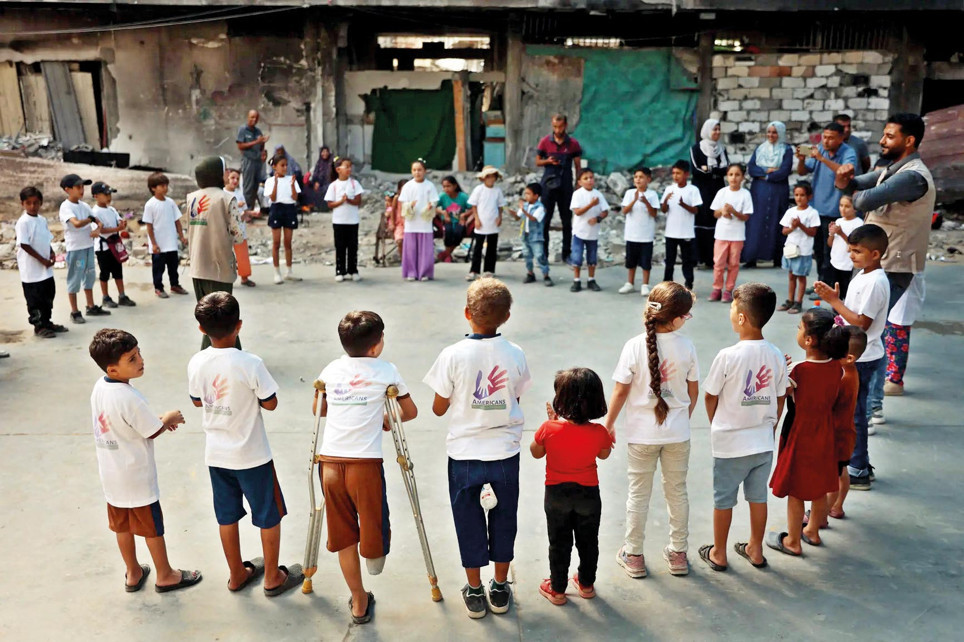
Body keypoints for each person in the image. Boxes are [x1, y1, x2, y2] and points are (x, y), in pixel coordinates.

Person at [423, 279, 531, 620]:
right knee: (505, 517)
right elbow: (515, 396)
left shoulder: (452, 355)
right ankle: (500, 586)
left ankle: (473, 589)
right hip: (504, 451)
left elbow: (439, 408)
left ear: (467, 314)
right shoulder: (515, 353)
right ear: (507, 316)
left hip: (465, 453)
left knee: (467, 518)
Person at [188, 292, 303, 596]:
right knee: (268, 514)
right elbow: (271, 403)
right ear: (239, 326)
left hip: (216, 455)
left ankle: (237, 574)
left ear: (202, 330)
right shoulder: (250, 363)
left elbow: (198, 401)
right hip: (252, 455)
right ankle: (272, 578)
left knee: (227, 516)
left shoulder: (197, 361)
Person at [313, 311, 417, 624]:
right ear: (375, 347)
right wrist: (384, 418)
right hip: (365, 464)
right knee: (373, 518)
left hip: (328, 463)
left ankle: (358, 600)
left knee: (344, 534)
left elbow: (319, 408)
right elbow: (408, 411)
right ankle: (374, 558)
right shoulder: (386, 369)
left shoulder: (331, 368)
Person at [88, 328, 202, 593]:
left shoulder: (100, 387)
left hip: (112, 476)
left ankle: (133, 572)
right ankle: (165, 574)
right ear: (113, 369)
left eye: (138, 353)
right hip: (136, 479)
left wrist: (157, 421)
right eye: (132, 358)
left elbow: (127, 425)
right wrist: (169, 418)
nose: (140, 360)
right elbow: (152, 430)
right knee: (152, 529)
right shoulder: (130, 397)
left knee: (122, 527)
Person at [605, 282, 698, 579]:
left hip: (641, 435)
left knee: (638, 495)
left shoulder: (634, 346)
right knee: (677, 493)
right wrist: (683, 417)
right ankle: (678, 553)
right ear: (674, 320)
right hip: (678, 435)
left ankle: (633, 554)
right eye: (687, 315)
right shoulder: (686, 346)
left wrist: (608, 425)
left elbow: (620, 392)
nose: (687, 320)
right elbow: (693, 390)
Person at [700, 283, 787, 571]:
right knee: (757, 497)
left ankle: (720, 554)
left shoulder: (727, 356)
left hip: (729, 444)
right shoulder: (775, 354)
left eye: (732, 308)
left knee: (723, 500)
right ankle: (756, 549)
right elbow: (780, 395)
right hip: (762, 442)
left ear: (741, 318)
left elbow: (710, 395)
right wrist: (770, 427)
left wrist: (717, 422)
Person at [813, 224, 890, 493]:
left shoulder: (876, 282)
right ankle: (859, 462)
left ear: (876, 254)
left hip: (862, 356)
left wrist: (834, 302)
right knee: (852, 410)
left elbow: (862, 323)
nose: (851, 254)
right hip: (855, 352)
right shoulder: (864, 274)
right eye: (850, 249)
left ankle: (857, 468)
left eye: (857, 251)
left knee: (855, 413)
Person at [768, 308, 849, 556]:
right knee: (819, 484)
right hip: (825, 432)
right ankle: (812, 530)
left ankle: (792, 540)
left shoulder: (799, 371)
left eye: (800, 329)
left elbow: (783, 394)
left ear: (809, 340)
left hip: (800, 434)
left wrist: (782, 370)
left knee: (796, 490)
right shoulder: (837, 367)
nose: (798, 333)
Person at [834, 113, 936, 310]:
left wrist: (848, 187)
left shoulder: (912, 176)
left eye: (889, 136)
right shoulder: (893, 170)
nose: (882, 141)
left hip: (893, 263)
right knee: (857, 324)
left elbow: (863, 200)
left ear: (909, 141)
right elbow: (854, 184)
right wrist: (842, 181)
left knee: (865, 326)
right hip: (878, 259)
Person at [531, 368, 612, 605]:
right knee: (588, 542)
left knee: (559, 542)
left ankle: (557, 589)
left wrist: (551, 424)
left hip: (556, 494)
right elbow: (604, 454)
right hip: (588, 494)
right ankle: (586, 584)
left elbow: (536, 453)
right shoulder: (599, 432)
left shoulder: (549, 428)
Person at [186, 157, 244, 350]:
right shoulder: (226, 198)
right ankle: (211, 355)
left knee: (207, 314)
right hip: (218, 266)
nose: (228, 174)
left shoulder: (191, 197)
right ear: (217, 174)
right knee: (222, 318)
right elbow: (238, 235)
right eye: (225, 170)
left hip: (197, 265)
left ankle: (233, 351)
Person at [796, 122, 857, 286]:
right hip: (817, 209)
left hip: (836, 210)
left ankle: (829, 285)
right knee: (818, 250)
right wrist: (801, 160)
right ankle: (821, 282)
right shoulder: (819, 148)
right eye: (824, 137)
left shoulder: (848, 152)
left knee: (830, 251)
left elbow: (845, 170)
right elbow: (802, 171)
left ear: (840, 138)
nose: (826, 141)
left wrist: (821, 159)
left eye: (831, 138)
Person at [824, 326, 866, 522]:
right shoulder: (850, 371)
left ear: (849, 357)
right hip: (845, 433)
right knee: (841, 472)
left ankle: (820, 514)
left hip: (836, 435)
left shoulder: (843, 378)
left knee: (832, 478)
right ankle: (837, 506)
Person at [59, 173, 111, 323]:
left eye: (82, 187)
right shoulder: (66, 206)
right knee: (74, 278)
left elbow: (98, 222)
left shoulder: (85, 206)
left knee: (89, 276)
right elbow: (75, 223)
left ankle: (90, 305)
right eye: (78, 187)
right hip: (76, 248)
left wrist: (97, 229)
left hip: (88, 246)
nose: (81, 190)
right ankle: (74, 311)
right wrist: (90, 220)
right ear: (67, 189)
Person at [16, 186, 66, 338]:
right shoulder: (23, 222)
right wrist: (41, 259)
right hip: (31, 271)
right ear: (22, 204)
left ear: (41, 203)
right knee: (34, 300)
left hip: (45, 269)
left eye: (36, 203)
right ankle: (39, 326)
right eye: (29, 203)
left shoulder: (42, 220)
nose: (32, 206)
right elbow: (24, 244)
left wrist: (50, 253)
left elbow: (46, 238)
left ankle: (47, 321)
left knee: (48, 296)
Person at [743, 121, 794, 267]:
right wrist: (768, 171)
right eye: (769, 132)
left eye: (775, 132)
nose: (771, 135)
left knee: (777, 221)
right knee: (756, 222)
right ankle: (751, 258)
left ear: (781, 134)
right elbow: (752, 169)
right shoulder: (760, 149)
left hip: (778, 191)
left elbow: (784, 171)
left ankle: (776, 258)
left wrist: (768, 175)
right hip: (760, 191)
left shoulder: (786, 150)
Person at [536, 114, 583, 264]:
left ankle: (566, 254)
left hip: (565, 186)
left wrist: (578, 183)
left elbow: (578, 165)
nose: (557, 130)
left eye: (560, 126)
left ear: (566, 125)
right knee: (545, 220)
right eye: (555, 127)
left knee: (567, 221)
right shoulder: (545, 142)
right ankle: (544, 254)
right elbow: (537, 161)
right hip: (548, 186)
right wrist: (547, 161)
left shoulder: (573, 144)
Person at [709, 163, 753, 303]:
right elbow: (715, 213)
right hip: (722, 234)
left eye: (737, 175)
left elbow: (746, 217)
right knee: (718, 263)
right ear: (727, 177)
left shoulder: (745, 194)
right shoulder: (722, 192)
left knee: (734, 263)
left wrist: (733, 211)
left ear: (742, 177)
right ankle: (717, 288)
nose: (734, 178)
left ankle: (728, 290)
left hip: (737, 235)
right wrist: (723, 212)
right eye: (731, 174)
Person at [691, 119, 729, 269]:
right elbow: (696, 170)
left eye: (719, 129)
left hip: (717, 189)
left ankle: (714, 259)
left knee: (715, 221)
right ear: (707, 131)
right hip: (701, 190)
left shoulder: (722, 149)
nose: (717, 132)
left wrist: (709, 169)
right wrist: (714, 171)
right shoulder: (697, 148)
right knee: (702, 220)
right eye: (714, 129)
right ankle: (699, 258)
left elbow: (725, 170)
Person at [777, 183, 820, 315]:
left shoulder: (812, 213)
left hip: (803, 250)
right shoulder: (790, 212)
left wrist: (800, 225)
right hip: (791, 249)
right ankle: (790, 300)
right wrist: (793, 227)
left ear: (809, 196)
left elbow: (812, 232)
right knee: (791, 275)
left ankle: (799, 301)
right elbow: (784, 231)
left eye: (802, 195)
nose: (799, 198)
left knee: (800, 277)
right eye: (796, 195)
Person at [143, 172, 188, 299]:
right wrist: (154, 243)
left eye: (166, 185)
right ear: (153, 188)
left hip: (171, 242)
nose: (165, 188)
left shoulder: (171, 202)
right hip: (159, 244)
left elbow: (177, 221)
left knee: (173, 266)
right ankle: (158, 287)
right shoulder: (150, 205)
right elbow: (149, 226)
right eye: (161, 186)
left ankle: (175, 285)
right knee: (158, 268)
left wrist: (181, 236)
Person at [661, 160, 702, 291]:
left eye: (678, 173)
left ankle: (688, 284)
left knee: (687, 261)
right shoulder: (669, 189)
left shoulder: (693, 190)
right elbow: (663, 210)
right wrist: (666, 200)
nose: (675, 176)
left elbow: (696, 210)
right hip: (671, 232)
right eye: (673, 173)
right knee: (670, 261)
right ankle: (667, 284)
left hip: (686, 232)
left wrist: (683, 205)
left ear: (686, 174)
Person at [618, 168, 659, 297]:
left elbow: (654, 213)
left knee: (646, 261)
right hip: (632, 234)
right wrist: (634, 200)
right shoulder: (630, 193)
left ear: (648, 179)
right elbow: (624, 211)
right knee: (631, 261)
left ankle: (645, 285)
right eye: (636, 177)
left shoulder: (652, 195)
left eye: (641, 177)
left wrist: (646, 202)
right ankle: (630, 283)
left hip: (646, 235)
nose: (638, 179)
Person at [325, 156, 366, 282]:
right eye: (346, 166)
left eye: (350, 167)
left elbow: (358, 201)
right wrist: (341, 201)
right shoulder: (333, 186)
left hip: (352, 221)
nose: (349, 169)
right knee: (340, 246)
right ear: (338, 169)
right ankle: (340, 270)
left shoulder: (354, 184)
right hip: (339, 221)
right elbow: (330, 204)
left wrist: (349, 200)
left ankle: (353, 269)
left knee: (352, 246)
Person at [569, 168, 609, 293]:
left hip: (593, 233)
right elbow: (577, 212)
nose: (589, 180)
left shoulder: (598, 194)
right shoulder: (577, 194)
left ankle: (591, 279)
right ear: (580, 182)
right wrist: (591, 205)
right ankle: (576, 280)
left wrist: (598, 218)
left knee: (592, 258)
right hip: (579, 232)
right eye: (586, 178)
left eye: (591, 177)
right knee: (577, 257)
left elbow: (605, 211)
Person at [398, 159, 439, 281]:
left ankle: (424, 272)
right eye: (414, 170)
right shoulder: (408, 186)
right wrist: (409, 205)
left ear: (425, 171)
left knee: (425, 249)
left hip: (425, 222)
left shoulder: (429, 186)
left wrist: (431, 205)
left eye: (420, 170)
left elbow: (434, 200)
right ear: (411, 171)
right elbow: (403, 202)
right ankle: (411, 271)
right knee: (411, 248)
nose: (417, 172)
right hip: (412, 222)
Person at [265, 152, 302, 284]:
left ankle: (289, 271)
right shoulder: (270, 181)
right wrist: (275, 183)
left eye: (286, 165)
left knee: (288, 242)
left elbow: (295, 198)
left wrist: (292, 185)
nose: (285, 168)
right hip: (277, 209)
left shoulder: (291, 179)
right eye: (282, 165)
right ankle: (276, 272)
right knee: (276, 243)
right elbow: (273, 198)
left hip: (289, 209)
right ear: (275, 166)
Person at [466, 166, 506, 280]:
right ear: (484, 178)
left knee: (491, 247)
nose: (491, 179)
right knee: (477, 247)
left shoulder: (497, 191)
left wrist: (500, 217)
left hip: (493, 222)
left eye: (493, 176)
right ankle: (474, 270)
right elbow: (474, 205)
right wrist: (477, 219)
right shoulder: (479, 189)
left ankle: (489, 270)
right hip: (481, 222)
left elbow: (500, 206)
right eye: (488, 177)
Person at [512, 182, 552, 286]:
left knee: (539, 255)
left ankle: (546, 275)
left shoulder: (540, 207)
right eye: (525, 194)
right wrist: (512, 212)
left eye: (528, 194)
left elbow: (534, 219)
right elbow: (518, 217)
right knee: (527, 255)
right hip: (525, 235)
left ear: (536, 196)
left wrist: (524, 211)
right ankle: (530, 273)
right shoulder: (525, 206)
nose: (526, 196)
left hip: (536, 236)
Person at [826, 194, 863, 299]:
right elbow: (830, 243)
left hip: (848, 265)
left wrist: (841, 233)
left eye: (847, 206)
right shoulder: (838, 221)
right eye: (841, 205)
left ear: (855, 209)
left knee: (847, 292)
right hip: (835, 262)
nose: (843, 209)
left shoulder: (858, 224)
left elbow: (854, 246)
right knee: (835, 290)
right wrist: (832, 233)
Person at [224, 168, 255, 287]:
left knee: (242, 254)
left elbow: (244, 212)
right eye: (232, 178)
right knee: (226, 254)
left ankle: (245, 277)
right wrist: (236, 205)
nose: (235, 181)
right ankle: (225, 278)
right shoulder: (223, 194)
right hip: (227, 229)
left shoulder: (239, 194)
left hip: (240, 229)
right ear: (227, 178)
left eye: (237, 178)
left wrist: (250, 214)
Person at [236, 110, 269, 215]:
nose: (254, 120)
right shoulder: (243, 130)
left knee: (255, 186)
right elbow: (240, 146)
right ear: (248, 117)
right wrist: (256, 142)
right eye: (252, 117)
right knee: (248, 187)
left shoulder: (258, 131)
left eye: (256, 118)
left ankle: (251, 209)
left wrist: (263, 145)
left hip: (257, 161)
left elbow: (261, 146)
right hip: (248, 160)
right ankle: (246, 212)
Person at [437, 175, 470, 264]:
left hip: (460, 221)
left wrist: (464, 215)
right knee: (448, 231)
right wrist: (443, 213)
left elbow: (472, 208)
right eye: (444, 187)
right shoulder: (442, 196)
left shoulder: (463, 196)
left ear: (455, 186)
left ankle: (447, 253)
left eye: (448, 186)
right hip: (447, 221)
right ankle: (448, 254)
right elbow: (432, 207)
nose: (446, 189)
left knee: (459, 232)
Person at [305, 146, 333, 211]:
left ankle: (324, 207)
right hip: (319, 183)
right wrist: (315, 182)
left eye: (326, 152)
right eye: (323, 152)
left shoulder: (331, 162)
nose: (325, 153)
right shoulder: (319, 162)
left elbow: (329, 175)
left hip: (329, 183)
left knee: (324, 189)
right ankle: (312, 206)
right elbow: (315, 173)